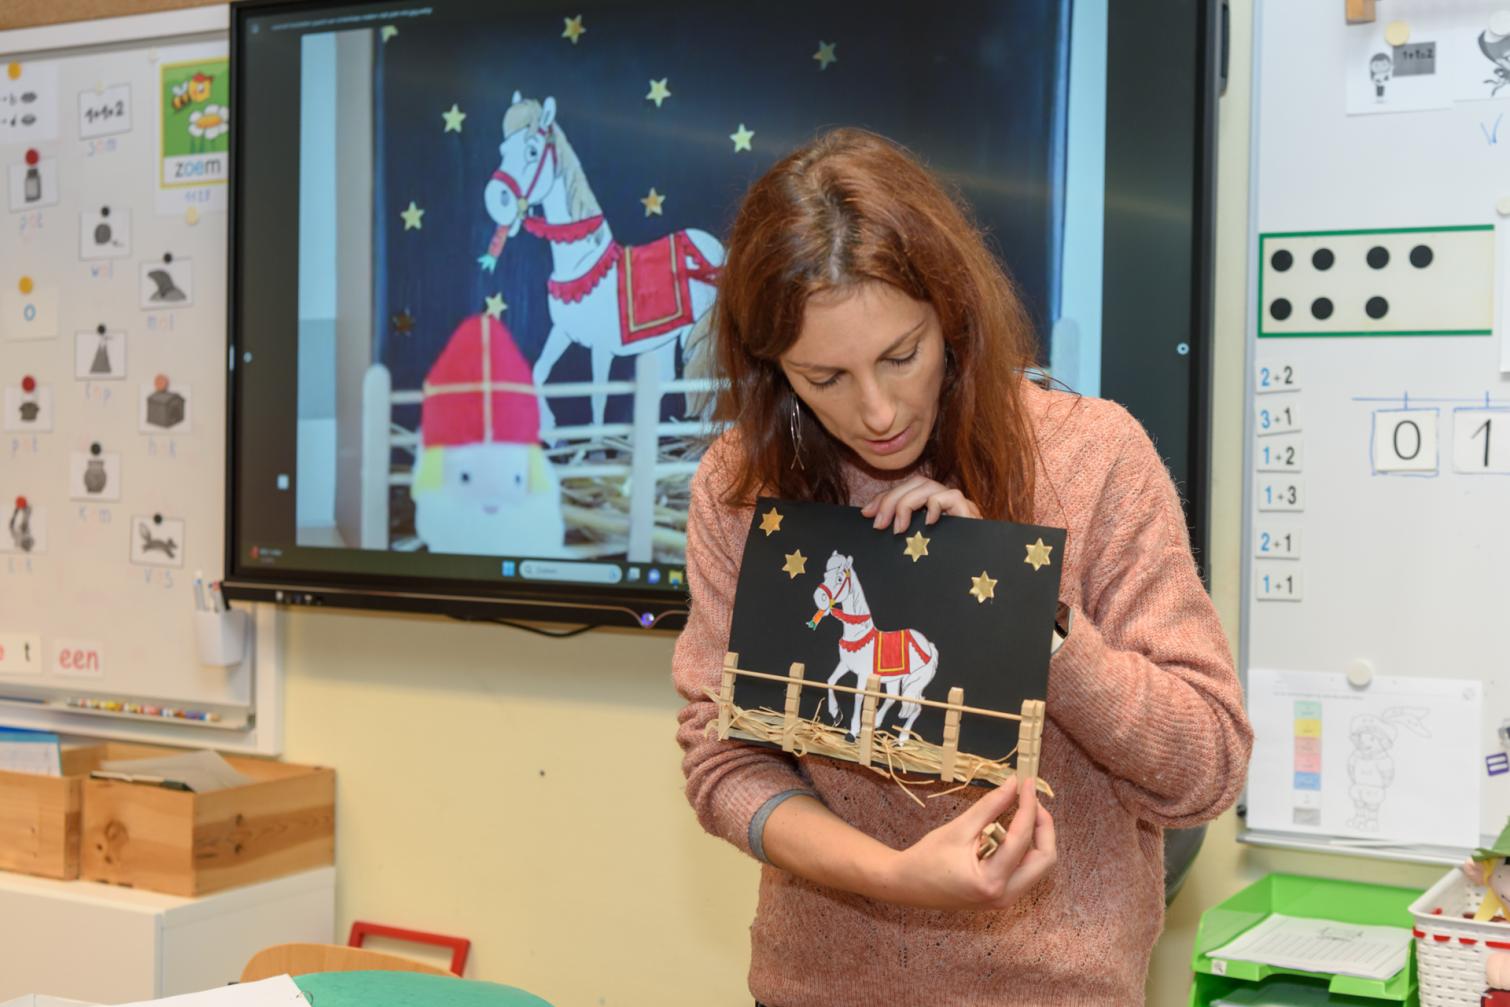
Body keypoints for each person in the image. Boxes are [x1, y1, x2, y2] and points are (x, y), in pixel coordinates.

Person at [672, 128, 1252, 1006]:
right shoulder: (740, 488)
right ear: (773, 369)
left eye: (901, 355)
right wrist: (895, 874)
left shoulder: (1094, 456)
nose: (876, 412)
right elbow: (725, 761)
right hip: (815, 986)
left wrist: (1019, 607)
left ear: (951, 313)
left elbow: (1205, 767)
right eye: (824, 377)